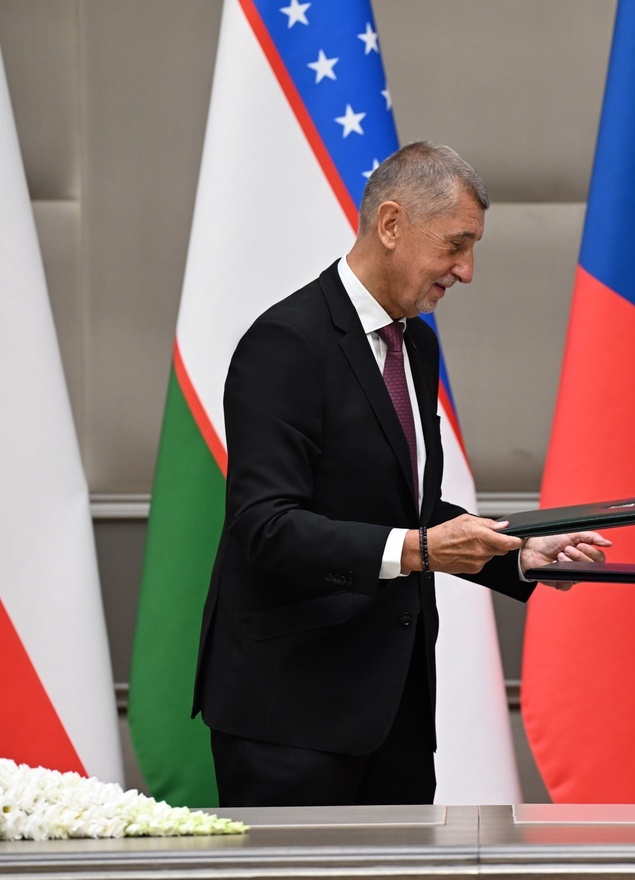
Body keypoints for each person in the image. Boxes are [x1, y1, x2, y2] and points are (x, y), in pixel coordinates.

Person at [192, 141, 608, 807]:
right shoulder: (286, 343)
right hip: (290, 718)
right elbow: (264, 527)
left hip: (396, 716)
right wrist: (420, 550)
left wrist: (520, 554)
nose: (467, 271)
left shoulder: (415, 343)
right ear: (391, 224)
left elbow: (409, 508)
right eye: (456, 245)